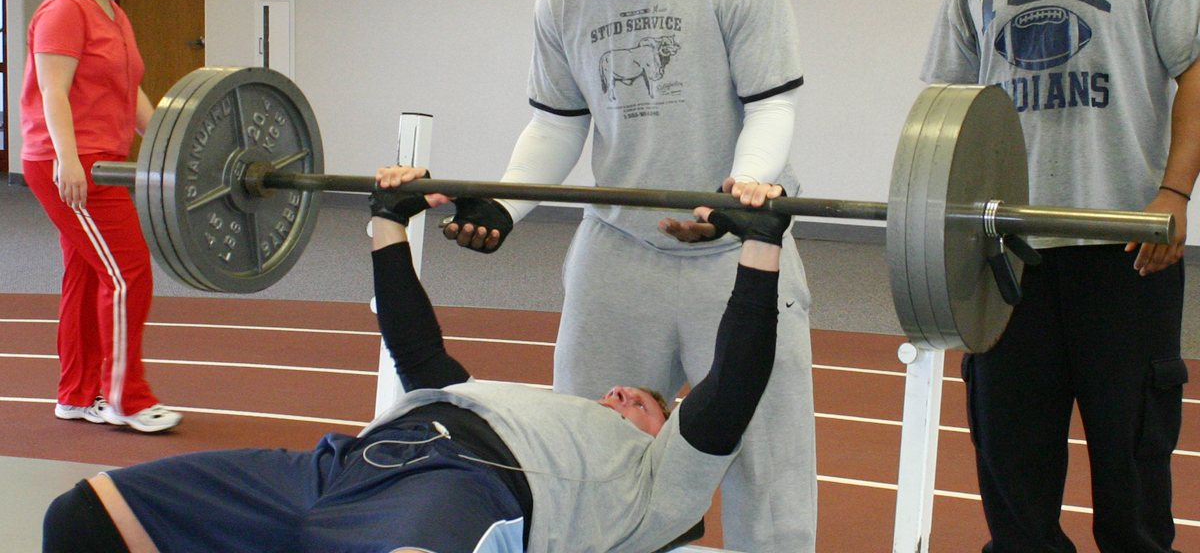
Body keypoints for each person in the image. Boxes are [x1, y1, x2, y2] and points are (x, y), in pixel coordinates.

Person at [42, 166, 791, 553]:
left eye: (648, 404)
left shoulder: (665, 488)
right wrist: (385, 223)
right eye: (626, 391)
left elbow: (730, 389)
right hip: (341, 468)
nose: (627, 392)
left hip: (469, 493)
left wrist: (761, 244)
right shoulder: (509, 403)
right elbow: (418, 350)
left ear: (666, 434)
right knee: (85, 516)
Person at [441, 0, 815, 552]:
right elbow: (557, 122)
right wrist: (505, 207)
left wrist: (741, 194)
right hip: (618, 251)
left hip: (735, 256)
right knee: (583, 451)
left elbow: (772, 104)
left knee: (767, 466)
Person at [922, 0, 1200, 553]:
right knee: (1010, 456)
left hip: (1123, 247)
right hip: (1006, 252)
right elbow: (947, 106)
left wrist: (1173, 194)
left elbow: (1196, 72)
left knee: (1132, 452)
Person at [19, 0, 182, 434]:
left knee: (89, 274)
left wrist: (170, 145)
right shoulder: (65, 9)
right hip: (69, 162)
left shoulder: (113, 12)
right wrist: (68, 161)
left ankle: (76, 393)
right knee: (128, 271)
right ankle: (124, 399)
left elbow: (129, 92)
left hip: (104, 162)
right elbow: (53, 92)